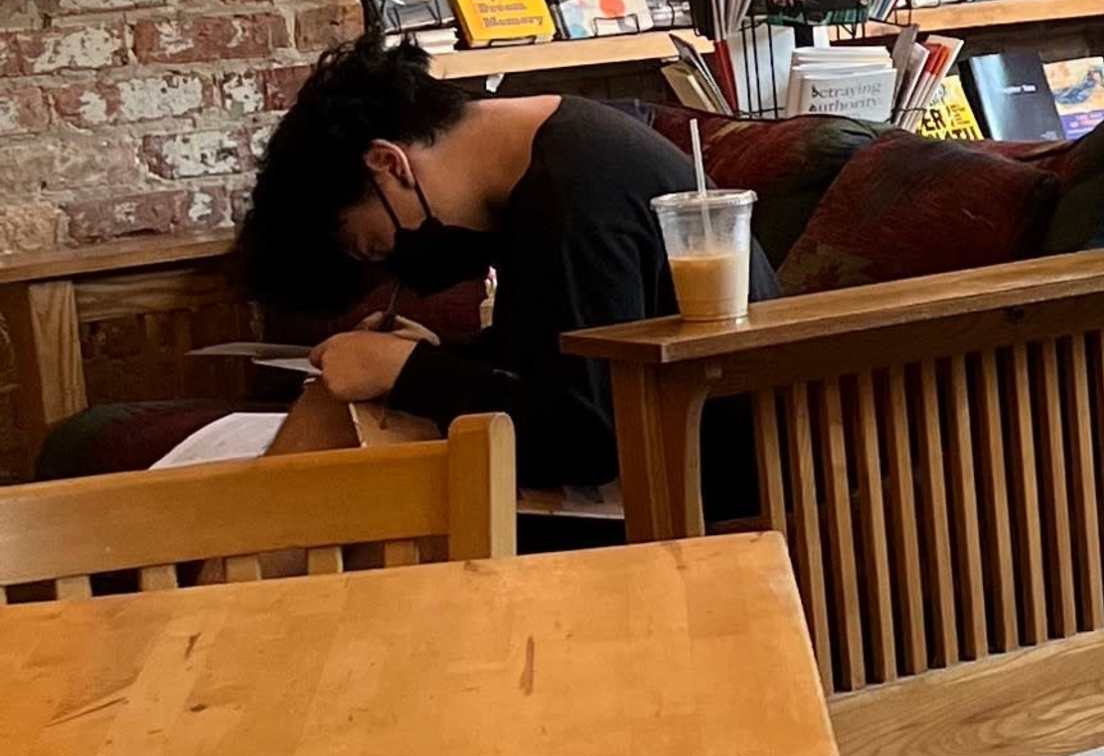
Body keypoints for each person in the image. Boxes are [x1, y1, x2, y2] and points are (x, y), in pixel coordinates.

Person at [240, 37, 770, 505]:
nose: (399, 265)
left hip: (702, 490)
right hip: (658, 458)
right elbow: (565, 354)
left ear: (388, 164)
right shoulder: (545, 156)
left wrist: (410, 374)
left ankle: (235, 590)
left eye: (377, 246)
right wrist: (434, 357)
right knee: (343, 425)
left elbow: (585, 438)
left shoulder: (576, 194)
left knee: (363, 469)